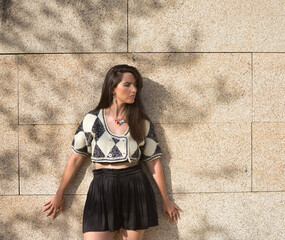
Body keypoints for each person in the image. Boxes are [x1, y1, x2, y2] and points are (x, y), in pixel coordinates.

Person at [43, 64, 182, 240]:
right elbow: (76, 158)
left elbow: (153, 161)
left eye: (136, 85)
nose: (134, 90)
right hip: (102, 187)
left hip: (135, 187)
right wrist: (59, 193)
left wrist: (165, 199)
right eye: (128, 85)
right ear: (112, 87)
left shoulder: (142, 123)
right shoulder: (92, 119)